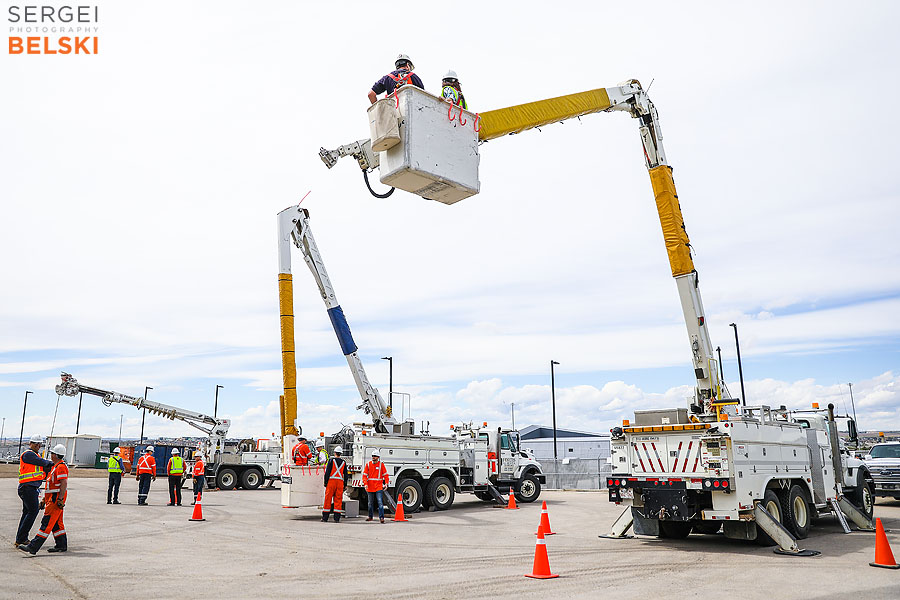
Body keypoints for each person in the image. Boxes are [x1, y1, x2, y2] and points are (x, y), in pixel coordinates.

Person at [19, 444, 69, 555]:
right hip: (52, 498)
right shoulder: (55, 466)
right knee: (57, 523)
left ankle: (33, 547)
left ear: (56, 455)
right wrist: (43, 501)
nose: (50, 455)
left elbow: (63, 483)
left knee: (46, 523)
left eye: (52, 453)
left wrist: (60, 499)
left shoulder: (60, 467)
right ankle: (61, 545)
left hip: (56, 499)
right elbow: (50, 487)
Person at [15, 435, 52, 548]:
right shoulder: (29, 454)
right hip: (27, 488)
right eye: (38, 445)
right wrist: (52, 463)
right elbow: (43, 463)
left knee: (27, 512)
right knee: (33, 511)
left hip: (30, 488)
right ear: (35, 444)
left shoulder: (34, 455)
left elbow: (42, 468)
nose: (39, 446)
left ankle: (20, 538)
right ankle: (21, 538)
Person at [362, 450, 390, 523]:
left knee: (380, 502)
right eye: (372, 456)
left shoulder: (381, 465)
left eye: (375, 456)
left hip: (378, 487)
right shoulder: (368, 465)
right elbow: (364, 476)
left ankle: (381, 518)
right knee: (370, 503)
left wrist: (386, 483)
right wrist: (365, 484)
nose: (373, 457)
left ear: (378, 457)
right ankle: (370, 517)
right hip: (370, 487)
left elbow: (386, 475)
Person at [321, 445, 346, 523]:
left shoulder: (331, 461)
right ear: (340, 453)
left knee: (328, 499)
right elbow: (346, 474)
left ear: (335, 453)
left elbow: (327, 472)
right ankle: (337, 518)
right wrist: (344, 485)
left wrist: (325, 482)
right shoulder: (343, 462)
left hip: (331, 482)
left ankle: (325, 518)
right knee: (338, 500)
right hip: (340, 483)